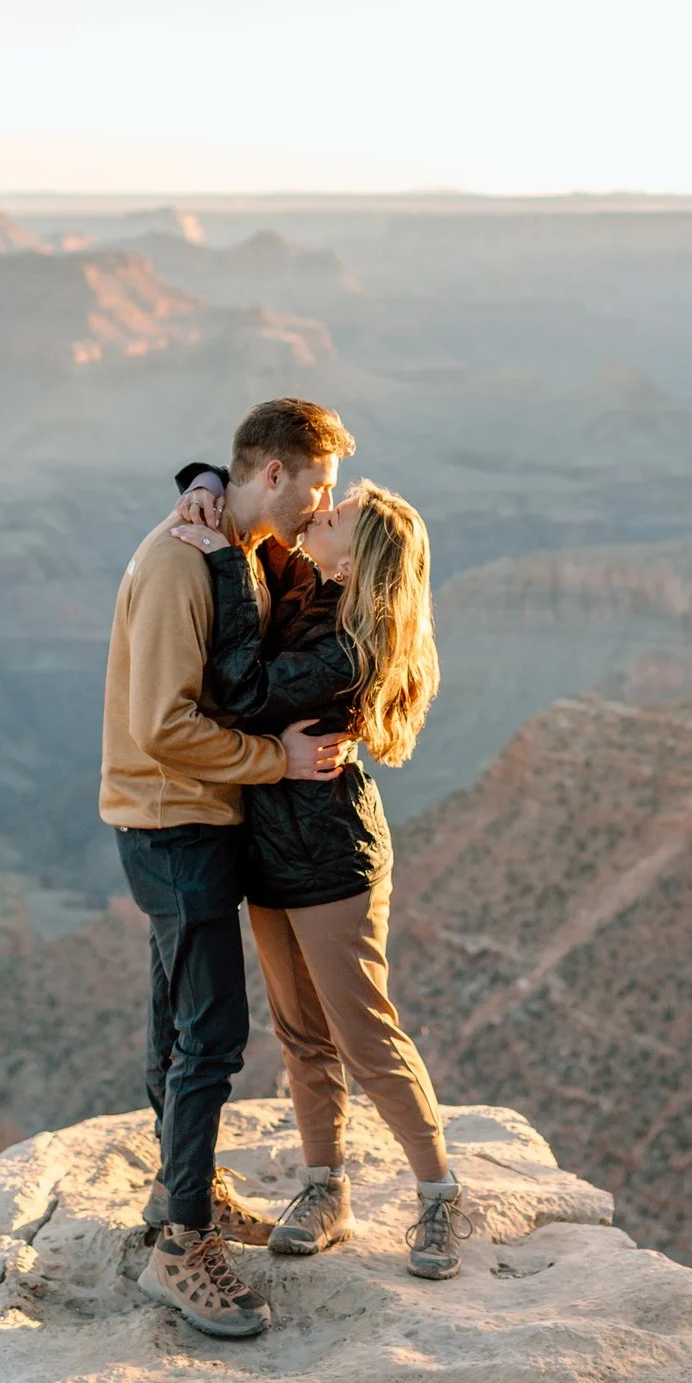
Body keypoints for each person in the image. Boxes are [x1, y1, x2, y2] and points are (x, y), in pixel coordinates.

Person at [170, 467, 470, 1280]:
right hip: (268, 851)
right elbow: (264, 508)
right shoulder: (309, 582)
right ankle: (325, 1187)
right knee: (300, 1035)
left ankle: (441, 1195)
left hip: (332, 860)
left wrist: (227, 566)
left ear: (358, 552)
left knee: (364, 1035)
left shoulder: (347, 646)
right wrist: (205, 481)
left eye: (335, 511)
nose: (317, 512)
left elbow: (240, 689)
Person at [100, 397, 355, 1339]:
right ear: (277, 474)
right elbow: (158, 723)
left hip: (183, 819)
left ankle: (182, 1188)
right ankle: (183, 1248)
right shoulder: (180, 563)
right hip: (175, 824)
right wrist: (273, 761)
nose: (318, 507)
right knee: (211, 1034)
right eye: (315, 486)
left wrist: (203, 481)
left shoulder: (222, 539)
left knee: (176, 1019)